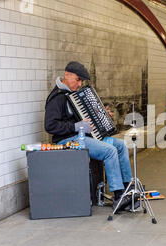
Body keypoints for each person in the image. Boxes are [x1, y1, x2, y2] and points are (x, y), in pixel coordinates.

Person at [44, 61, 137, 213]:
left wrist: (103, 115)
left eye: (81, 81)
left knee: (120, 146)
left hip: (84, 136)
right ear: (67, 75)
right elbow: (50, 126)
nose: (80, 84)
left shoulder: (74, 95)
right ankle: (119, 196)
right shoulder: (57, 98)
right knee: (109, 151)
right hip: (68, 139)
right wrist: (76, 126)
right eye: (78, 79)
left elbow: (87, 118)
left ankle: (128, 189)